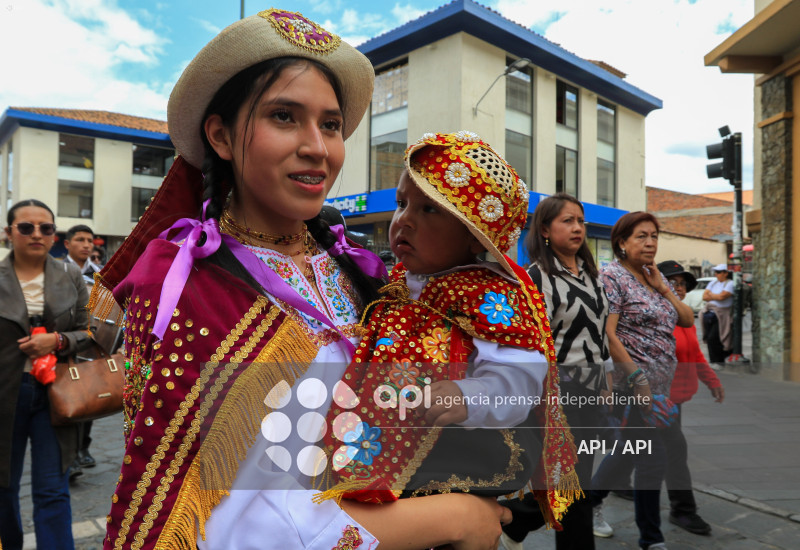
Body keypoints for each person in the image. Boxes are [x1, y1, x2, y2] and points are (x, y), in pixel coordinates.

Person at [97, 9, 515, 549]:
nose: (318, 147)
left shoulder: (362, 273)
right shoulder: (183, 288)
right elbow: (225, 522)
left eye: (331, 124)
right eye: (284, 117)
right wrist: (454, 518)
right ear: (221, 136)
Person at [321, 133, 577, 525]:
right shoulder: (398, 281)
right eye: (402, 204)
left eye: (430, 210)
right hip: (381, 437)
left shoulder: (489, 293)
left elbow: (520, 376)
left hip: (452, 450)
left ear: (475, 235)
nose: (403, 220)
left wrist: (469, 395)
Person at [500, 193, 612, 550]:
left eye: (580, 221)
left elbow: (600, 332)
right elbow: (533, 342)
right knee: (573, 485)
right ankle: (517, 520)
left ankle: (515, 520)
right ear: (545, 229)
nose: (578, 227)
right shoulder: (537, 276)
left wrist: (607, 377)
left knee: (571, 480)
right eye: (568, 220)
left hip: (592, 392)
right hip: (560, 394)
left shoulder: (593, 275)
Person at [588, 211, 694, 550]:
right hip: (632, 386)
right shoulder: (612, 275)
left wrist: (664, 288)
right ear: (621, 242)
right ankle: (652, 538)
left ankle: (587, 502)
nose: (650, 243)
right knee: (653, 457)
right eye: (641, 237)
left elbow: (687, 320)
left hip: (661, 388)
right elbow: (609, 335)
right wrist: (637, 380)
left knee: (626, 452)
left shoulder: (654, 276)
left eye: (654, 236)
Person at [0, 199, 92, 550]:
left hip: (57, 392)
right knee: (4, 487)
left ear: (54, 235)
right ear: (10, 233)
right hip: (6, 393)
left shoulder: (71, 276)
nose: (37, 234)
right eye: (26, 227)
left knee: (53, 488)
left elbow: (92, 331)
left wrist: (59, 340)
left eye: (46, 228)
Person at [657, 260, 724, 536]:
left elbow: (695, 355)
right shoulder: (657, 315)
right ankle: (683, 510)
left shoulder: (685, 317)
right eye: (672, 282)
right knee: (674, 451)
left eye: (682, 284)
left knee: (633, 449)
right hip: (659, 398)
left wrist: (712, 381)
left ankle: (617, 484)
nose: (679, 288)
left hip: (678, 398)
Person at [63, 224, 102, 474]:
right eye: (80, 239)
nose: (86, 244)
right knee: (67, 398)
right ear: (67, 244)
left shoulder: (101, 274)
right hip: (63, 342)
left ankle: (83, 448)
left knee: (89, 398)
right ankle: (70, 453)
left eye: (89, 240)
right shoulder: (57, 270)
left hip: (93, 343)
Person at [701, 263, 734, 366]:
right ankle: (714, 360)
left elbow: (722, 297)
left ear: (725, 273)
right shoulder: (713, 283)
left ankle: (718, 360)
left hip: (722, 314)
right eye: (715, 272)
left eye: (718, 272)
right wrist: (716, 296)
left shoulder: (730, 283)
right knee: (709, 337)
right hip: (710, 313)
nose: (716, 274)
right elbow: (705, 296)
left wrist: (712, 295)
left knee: (716, 337)